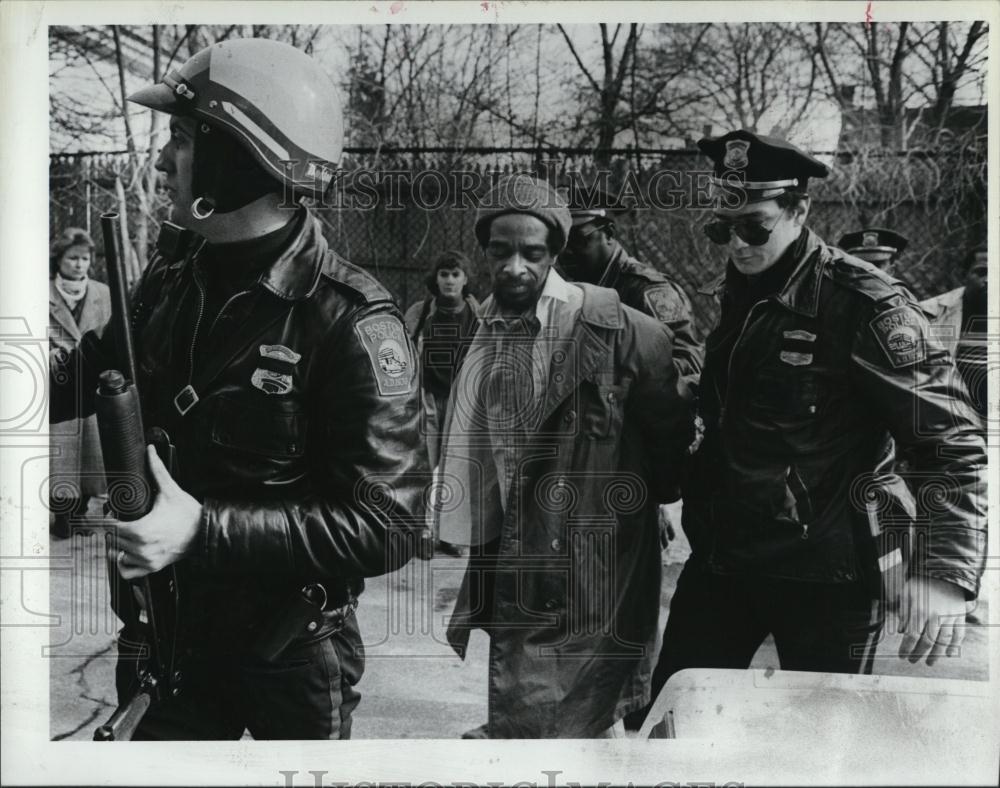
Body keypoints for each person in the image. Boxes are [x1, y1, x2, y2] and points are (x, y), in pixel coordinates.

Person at [48, 38, 428, 740]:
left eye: (182, 138)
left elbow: (389, 523)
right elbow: (79, 377)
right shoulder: (169, 279)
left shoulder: (350, 320)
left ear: (238, 157)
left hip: (288, 657)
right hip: (164, 635)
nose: (163, 162)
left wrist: (202, 528)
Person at [643, 130, 986, 715]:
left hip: (827, 576)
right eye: (723, 229)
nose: (737, 244)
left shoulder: (865, 304)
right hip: (726, 559)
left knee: (820, 738)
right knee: (675, 716)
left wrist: (944, 575)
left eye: (754, 227)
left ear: (799, 210)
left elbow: (951, 440)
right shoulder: (741, 290)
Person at [436, 174, 694, 738]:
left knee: (575, 701)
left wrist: (643, 503)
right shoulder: (484, 328)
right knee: (548, 703)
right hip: (514, 543)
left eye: (532, 253)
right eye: (500, 252)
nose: (514, 267)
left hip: (591, 557)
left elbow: (669, 437)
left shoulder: (625, 331)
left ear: (555, 253)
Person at [560, 189, 703, 382]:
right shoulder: (570, 291)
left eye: (578, 239)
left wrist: (628, 378)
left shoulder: (645, 290)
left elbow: (689, 359)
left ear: (609, 234)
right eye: (560, 242)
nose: (566, 251)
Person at [404, 251, 481, 558]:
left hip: (460, 401)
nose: (450, 281)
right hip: (427, 400)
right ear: (435, 279)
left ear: (465, 279)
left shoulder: (476, 313)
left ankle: (449, 534)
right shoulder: (421, 311)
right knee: (423, 466)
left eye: (456, 274)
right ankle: (420, 531)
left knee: (456, 467)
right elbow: (402, 349)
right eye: (444, 274)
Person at [49, 227, 110, 537]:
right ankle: (62, 514)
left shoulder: (103, 293)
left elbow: (112, 334)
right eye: (72, 258)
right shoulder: (41, 293)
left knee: (91, 452)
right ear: (58, 259)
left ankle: (81, 512)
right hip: (57, 382)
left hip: (91, 379)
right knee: (61, 449)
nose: (79, 264)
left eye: (85, 258)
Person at [921, 243, 988, 420]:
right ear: (963, 275)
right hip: (949, 414)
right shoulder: (930, 312)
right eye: (982, 272)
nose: (989, 280)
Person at [837, 227, 909, 274]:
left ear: (890, 271)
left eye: (877, 265)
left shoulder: (900, 293)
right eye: (861, 265)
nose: (868, 271)